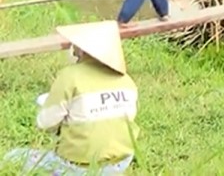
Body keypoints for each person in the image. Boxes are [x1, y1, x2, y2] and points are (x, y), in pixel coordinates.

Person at [2, 21, 138, 175]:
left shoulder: (69, 76)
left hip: (80, 165)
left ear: (83, 50)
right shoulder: (127, 81)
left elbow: (45, 123)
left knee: (12, 157)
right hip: (121, 162)